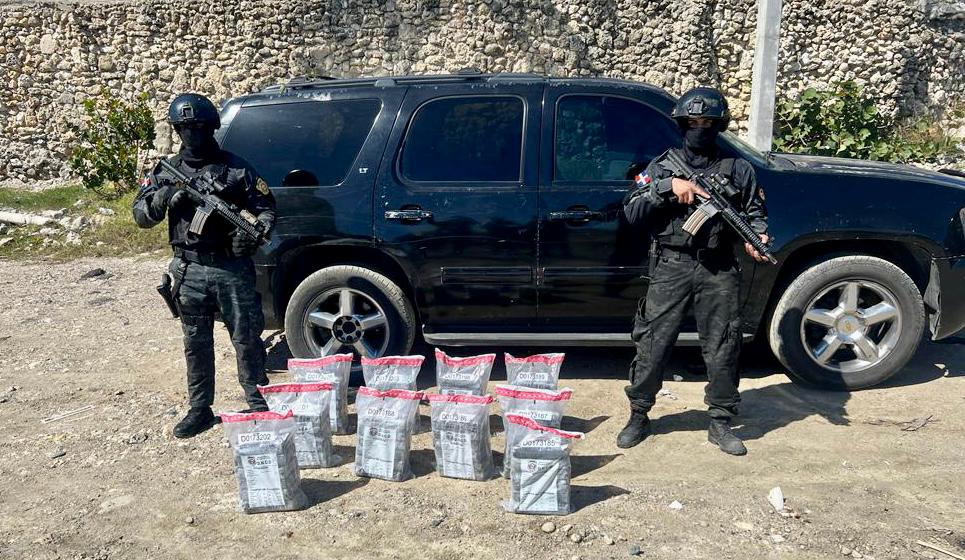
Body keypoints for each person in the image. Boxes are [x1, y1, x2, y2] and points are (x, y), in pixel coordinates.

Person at [617, 87, 769, 456]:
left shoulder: (739, 170)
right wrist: (667, 188)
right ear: (682, 124)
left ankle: (720, 420)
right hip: (672, 265)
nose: (699, 128)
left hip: (719, 268)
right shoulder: (660, 167)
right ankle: (639, 414)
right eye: (693, 122)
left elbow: (755, 214)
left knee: (723, 345)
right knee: (653, 343)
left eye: (707, 122)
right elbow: (632, 211)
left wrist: (758, 236)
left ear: (719, 125)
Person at [133, 93, 276, 439]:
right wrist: (166, 197)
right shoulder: (166, 172)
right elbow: (141, 215)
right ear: (176, 130)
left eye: (198, 127)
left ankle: (259, 401)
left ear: (212, 126)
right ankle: (200, 408)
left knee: (247, 339)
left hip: (232, 269)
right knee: (196, 342)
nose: (192, 134)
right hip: (189, 270)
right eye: (185, 128)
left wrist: (251, 237)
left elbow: (267, 210)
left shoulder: (237, 170)